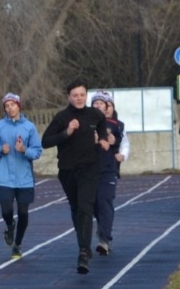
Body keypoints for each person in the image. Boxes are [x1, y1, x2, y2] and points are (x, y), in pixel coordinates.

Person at [41, 81, 113, 273]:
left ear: (86, 95)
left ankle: (83, 251)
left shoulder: (95, 114)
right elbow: (45, 141)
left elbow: (102, 128)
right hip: (67, 170)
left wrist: (104, 141)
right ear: (69, 97)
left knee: (85, 206)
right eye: (75, 95)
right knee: (76, 208)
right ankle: (83, 241)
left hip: (90, 168)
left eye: (82, 94)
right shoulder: (62, 117)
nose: (79, 98)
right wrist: (67, 132)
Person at [0, 93, 42, 261]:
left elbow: (37, 151)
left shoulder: (29, 127)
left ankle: (18, 244)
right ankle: (9, 225)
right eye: (7, 106)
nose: (10, 108)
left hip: (24, 178)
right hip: (4, 176)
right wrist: (0, 149)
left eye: (12, 105)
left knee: (23, 213)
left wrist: (24, 150)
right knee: (7, 210)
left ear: (19, 106)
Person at [91, 92, 129, 256]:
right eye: (96, 103)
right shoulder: (86, 123)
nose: (99, 106)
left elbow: (122, 141)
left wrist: (116, 144)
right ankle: (103, 230)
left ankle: (104, 240)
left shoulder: (116, 124)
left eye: (102, 103)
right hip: (89, 169)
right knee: (93, 204)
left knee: (105, 201)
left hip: (108, 169)